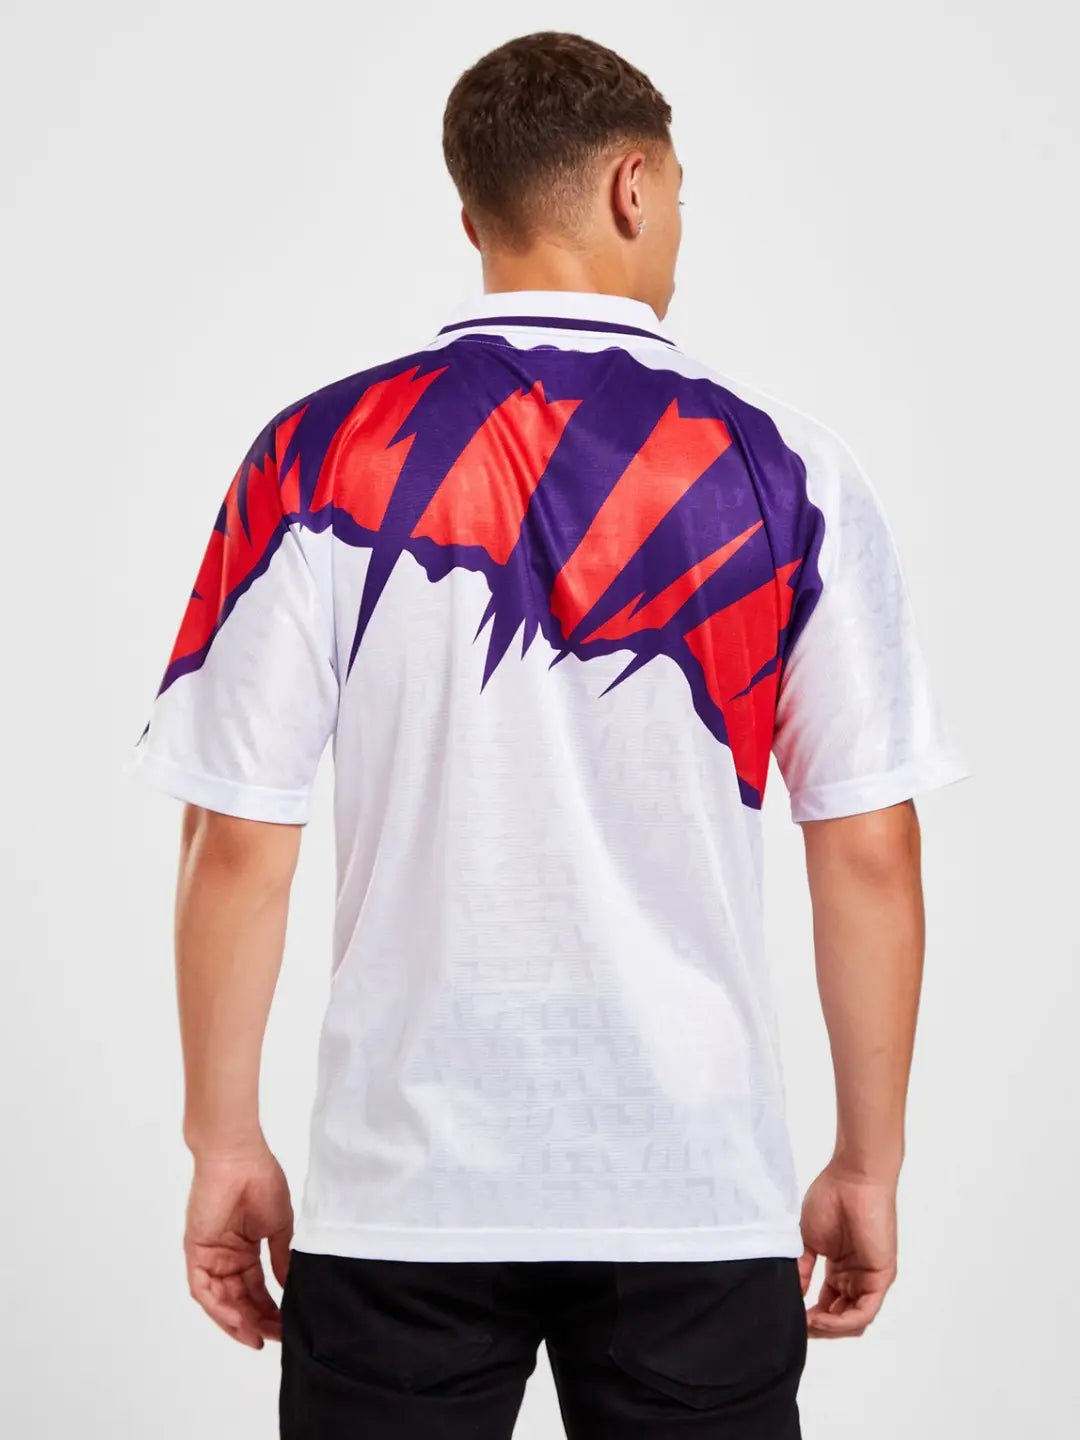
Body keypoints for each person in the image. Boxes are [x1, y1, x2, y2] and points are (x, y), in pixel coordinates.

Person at [130, 29, 968, 1440]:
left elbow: (233, 837)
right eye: (683, 192)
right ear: (635, 187)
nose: (681, 222)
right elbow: (871, 848)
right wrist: (867, 1162)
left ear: (475, 220)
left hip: (400, 1195)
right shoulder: (787, 471)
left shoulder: (315, 456)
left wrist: (222, 1140)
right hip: (692, 1190)